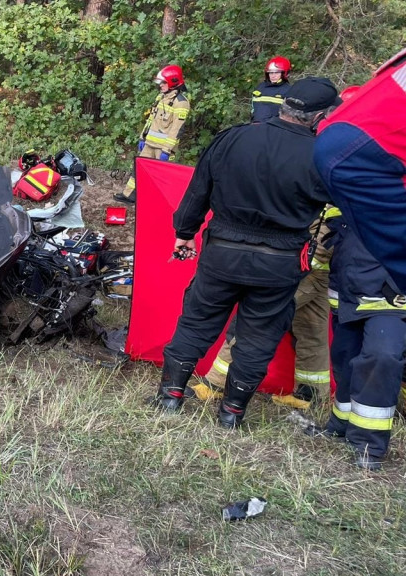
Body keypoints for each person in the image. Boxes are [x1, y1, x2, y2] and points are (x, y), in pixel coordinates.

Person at [153, 77, 341, 428]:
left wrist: (184, 233)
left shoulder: (233, 137)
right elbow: (342, 205)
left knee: (196, 323)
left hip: (222, 252)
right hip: (280, 263)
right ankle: (231, 414)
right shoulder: (322, 156)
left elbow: (198, 190)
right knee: (259, 336)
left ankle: (170, 396)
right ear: (320, 117)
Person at [310, 48, 406, 470]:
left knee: (381, 356)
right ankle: (341, 423)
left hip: (388, 282)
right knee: (345, 351)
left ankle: (369, 444)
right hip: (349, 269)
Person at [195, 205, 339, 409]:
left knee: (256, 317)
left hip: (307, 262)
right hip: (321, 262)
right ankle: (311, 394)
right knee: (310, 328)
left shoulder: (335, 178)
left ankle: (216, 384)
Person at [115, 65, 191, 204]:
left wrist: (167, 151)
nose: (160, 85)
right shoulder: (161, 97)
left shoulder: (181, 103)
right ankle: (130, 195)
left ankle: (158, 203)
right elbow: (151, 119)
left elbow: (176, 130)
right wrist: (143, 136)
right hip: (149, 143)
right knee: (138, 170)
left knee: (161, 178)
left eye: (163, 83)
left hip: (163, 149)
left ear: (173, 83)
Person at [251, 56, 293, 123]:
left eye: (276, 72)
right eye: (270, 72)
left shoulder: (289, 90)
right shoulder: (260, 88)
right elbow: (254, 110)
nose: (273, 76)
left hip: (276, 129)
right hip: (257, 127)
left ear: (284, 74)